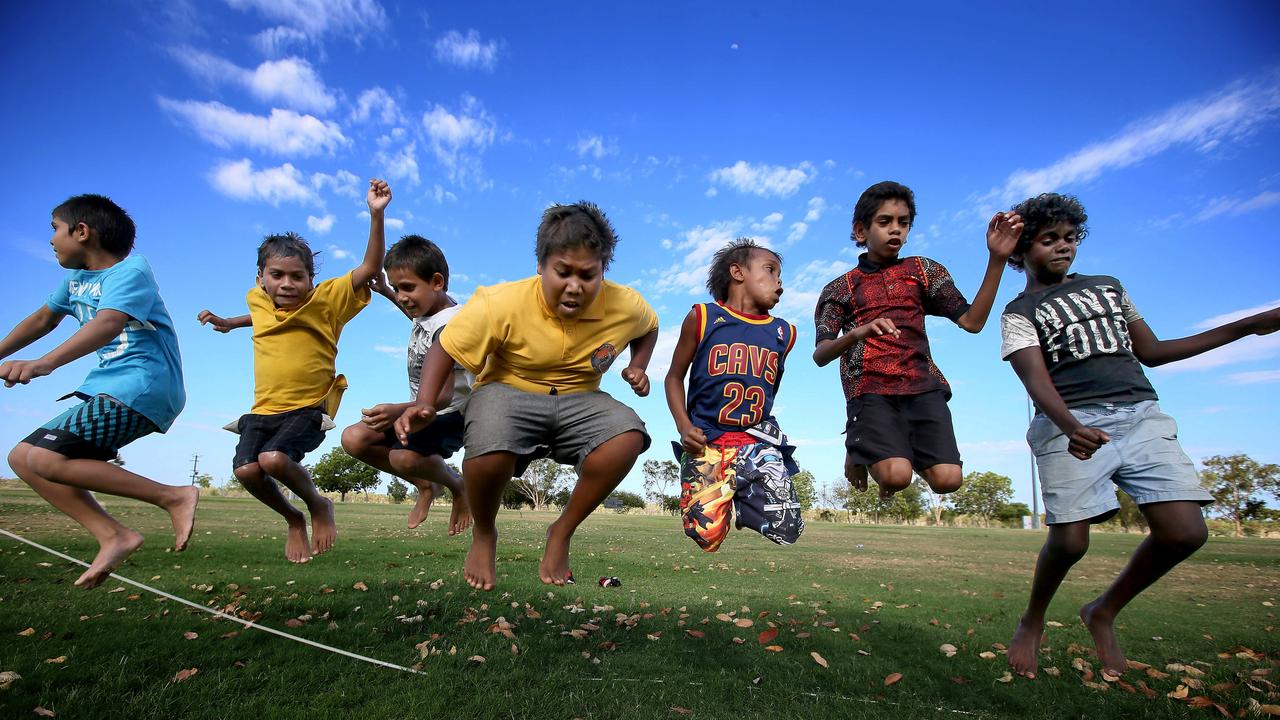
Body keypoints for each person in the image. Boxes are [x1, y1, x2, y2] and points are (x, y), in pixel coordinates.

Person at [1000, 192, 1279, 678]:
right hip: (1070, 422)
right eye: (1049, 240)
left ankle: (1103, 609)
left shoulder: (1109, 287)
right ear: (1022, 250)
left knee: (1185, 532)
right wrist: (1071, 426)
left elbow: (1153, 351)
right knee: (1069, 544)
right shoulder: (1021, 310)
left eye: (1070, 238)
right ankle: (1034, 618)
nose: (1063, 248)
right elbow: (1034, 379)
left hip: (1140, 415)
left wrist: (1248, 326)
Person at [395, 202, 658, 591]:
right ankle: (484, 533)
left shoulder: (626, 303)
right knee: (488, 447)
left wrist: (639, 364)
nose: (574, 285)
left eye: (588, 274)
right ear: (541, 265)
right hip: (508, 389)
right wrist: (426, 402)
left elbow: (648, 326)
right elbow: (445, 346)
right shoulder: (499, 301)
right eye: (562, 272)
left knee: (628, 434)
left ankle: (561, 532)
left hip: (580, 396)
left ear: (603, 270)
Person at [1, 194, 196, 589]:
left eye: (55, 229)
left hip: (144, 384)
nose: (52, 239)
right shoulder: (75, 281)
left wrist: (44, 363)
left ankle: (173, 496)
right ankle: (113, 535)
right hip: (109, 388)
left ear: (82, 231)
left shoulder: (132, 271)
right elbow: (42, 319)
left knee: (46, 457)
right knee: (22, 458)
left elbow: (107, 324)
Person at [197, 179, 390, 563]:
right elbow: (262, 316)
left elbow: (369, 267)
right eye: (277, 276)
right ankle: (293, 517)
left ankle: (319, 504)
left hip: (307, 408)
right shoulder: (258, 300)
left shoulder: (327, 301)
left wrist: (375, 214)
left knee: (274, 460)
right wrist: (229, 323)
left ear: (310, 280)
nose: (286, 284)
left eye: (296, 277)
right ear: (261, 279)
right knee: (247, 471)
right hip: (262, 409)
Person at [813, 180, 1022, 498]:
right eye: (885, 222)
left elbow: (973, 321)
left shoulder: (924, 271)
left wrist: (997, 259)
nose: (895, 230)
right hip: (871, 391)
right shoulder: (839, 288)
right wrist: (859, 332)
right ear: (860, 231)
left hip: (922, 387)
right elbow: (821, 355)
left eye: (903, 222)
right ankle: (861, 446)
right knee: (897, 476)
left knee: (948, 480)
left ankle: (873, 447)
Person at [664, 238, 802, 551]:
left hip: (755, 439)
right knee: (707, 538)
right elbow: (673, 377)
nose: (779, 280)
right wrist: (684, 427)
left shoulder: (784, 333)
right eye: (770, 270)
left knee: (788, 529)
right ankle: (725, 496)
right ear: (737, 272)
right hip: (708, 442)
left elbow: (770, 389)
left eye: (780, 274)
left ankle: (746, 497)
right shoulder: (703, 317)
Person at [341, 235, 472, 534]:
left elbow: (443, 394)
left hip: (450, 414)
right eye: (398, 288)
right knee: (354, 439)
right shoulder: (428, 310)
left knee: (403, 458)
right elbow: (417, 320)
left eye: (407, 288)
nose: (403, 296)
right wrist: (387, 291)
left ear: (437, 282)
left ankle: (457, 486)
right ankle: (426, 486)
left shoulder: (453, 326)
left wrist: (399, 409)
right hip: (420, 410)